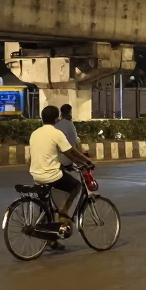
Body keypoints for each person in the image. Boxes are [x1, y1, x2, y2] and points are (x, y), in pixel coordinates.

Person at [28, 106, 94, 249]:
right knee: (76, 186)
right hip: (52, 175)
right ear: (57, 119)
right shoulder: (56, 133)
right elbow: (70, 152)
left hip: (36, 175)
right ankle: (64, 210)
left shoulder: (35, 133)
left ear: (42, 118)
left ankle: (50, 240)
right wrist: (86, 161)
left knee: (47, 207)